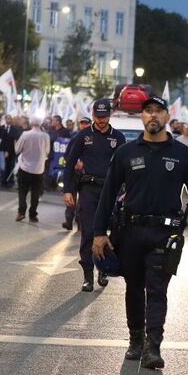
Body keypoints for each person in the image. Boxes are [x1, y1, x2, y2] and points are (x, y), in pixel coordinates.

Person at [92, 95, 188, 369]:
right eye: (148, 111)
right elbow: (108, 193)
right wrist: (100, 232)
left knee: (157, 290)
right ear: (142, 117)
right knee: (134, 289)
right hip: (131, 232)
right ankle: (135, 340)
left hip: (165, 235)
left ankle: (153, 346)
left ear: (167, 116)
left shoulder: (183, 154)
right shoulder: (126, 152)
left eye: (158, 111)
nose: (153, 115)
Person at [63, 100, 126, 292]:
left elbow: (125, 166)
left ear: (110, 115)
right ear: (93, 116)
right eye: (98, 117)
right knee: (89, 233)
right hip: (88, 190)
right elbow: (69, 163)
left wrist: (127, 189)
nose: (101, 120)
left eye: (104, 116)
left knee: (110, 232)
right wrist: (68, 190)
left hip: (110, 191)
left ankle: (104, 269)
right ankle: (88, 276)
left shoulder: (118, 137)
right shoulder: (83, 135)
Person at [14, 117, 50, 222]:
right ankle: (33, 214)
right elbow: (47, 151)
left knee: (22, 192)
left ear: (31, 123)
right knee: (35, 193)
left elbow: (17, 150)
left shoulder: (25, 135)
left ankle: (21, 212)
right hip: (39, 169)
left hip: (25, 167)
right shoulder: (45, 136)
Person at [61, 116, 92, 231]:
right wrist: (75, 163)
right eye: (82, 124)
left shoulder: (95, 139)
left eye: (86, 124)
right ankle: (69, 221)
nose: (83, 126)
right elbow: (66, 156)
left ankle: (80, 223)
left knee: (83, 199)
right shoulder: (75, 138)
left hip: (87, 174)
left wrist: (84, 164)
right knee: (71, 198)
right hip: (75, 173)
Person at [1, 115, 21, 189]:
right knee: (4, 167)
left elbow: (16, 140)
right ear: (5, 119)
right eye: (7, 118)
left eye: (10, 119)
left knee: (11, 167)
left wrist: (16, 151)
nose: (8, 120)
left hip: (12, 152)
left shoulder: (15, 129)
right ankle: (3, 181)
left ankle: (10, 182)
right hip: (2, 151)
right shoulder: (2, 128)